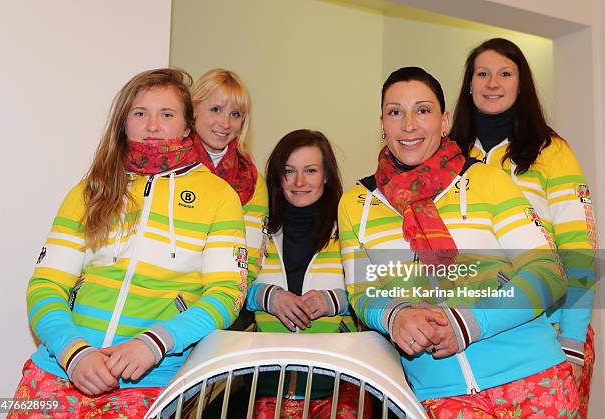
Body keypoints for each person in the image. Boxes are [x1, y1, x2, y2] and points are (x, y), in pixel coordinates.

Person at [338, 66, 579, 417]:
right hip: (441, 396)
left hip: (534, 381)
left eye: (423, 110)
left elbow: (547, 271)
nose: (408, 125)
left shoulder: (487, 179)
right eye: (395, 112)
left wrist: (468, 323)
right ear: (382, 124)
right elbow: (362, 293)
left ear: (445, 120)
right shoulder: (355, 202)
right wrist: (395, 316)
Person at [10, 68, 246, 418]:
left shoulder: (219, 196)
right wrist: (74, 353)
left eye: (166, 114)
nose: (152, 126)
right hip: (59, 370)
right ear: (124, 122)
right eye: (140, 114)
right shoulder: (90, 189)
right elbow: (45, 285)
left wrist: (154, 344)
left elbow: (227, 294)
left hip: (151, 382)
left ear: (186, 125)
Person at [450, 37, 596, 418]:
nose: (492, 83)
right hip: (470, 335)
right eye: (482, 73)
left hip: (549, 332)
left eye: (505, 73)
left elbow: (579, 247)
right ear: (468, 84)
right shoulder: (448, 155)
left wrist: (572, 337)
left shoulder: (551, 151)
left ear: (521, 84)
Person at [246, 129, 366, 418]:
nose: (300, 182)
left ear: (326, 175)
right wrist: (265, 296)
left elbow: (374, 293)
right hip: (267, 389)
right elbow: (227, 288)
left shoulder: (352, 228)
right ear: (277, 176)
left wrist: (334, 301)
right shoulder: (254, 229)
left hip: (340, 389)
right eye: (289, 171)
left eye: (310, 170)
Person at [192, 69, 268, 329]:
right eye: (215, 109)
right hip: (165, 301)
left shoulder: (252, 177)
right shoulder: (169, 165)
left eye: (235, 114)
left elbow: (251, 256)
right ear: (193, 111)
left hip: (226, 305)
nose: (225, 123)